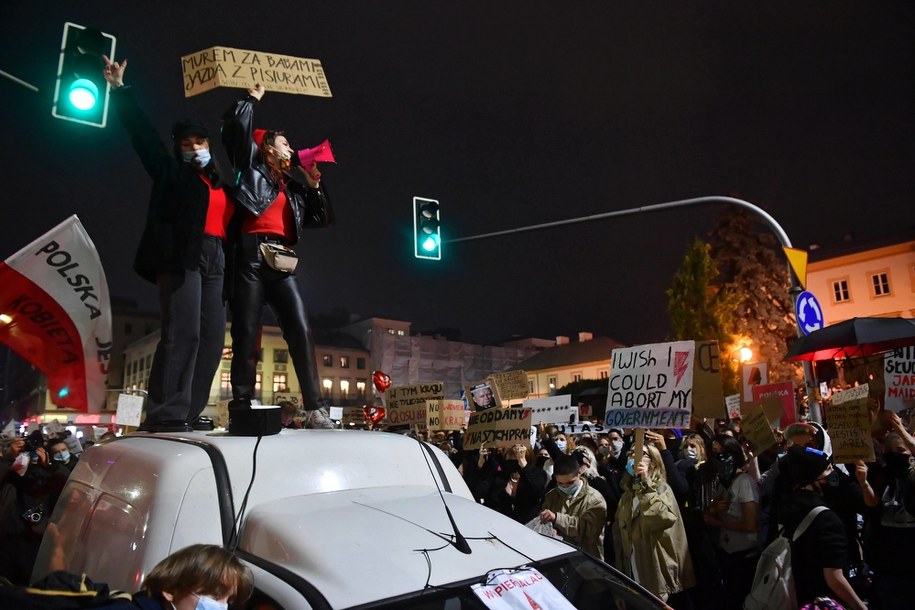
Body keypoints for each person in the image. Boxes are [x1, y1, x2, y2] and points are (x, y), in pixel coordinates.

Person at [103, 56, 233, 433]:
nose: (193, 148)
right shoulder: (171, 172)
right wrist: (120, 90)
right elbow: (144, 138)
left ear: (209, 145)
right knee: (183, 333)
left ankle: (188, 412)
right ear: (178, 149)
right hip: (182, 256)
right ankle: (165, 413)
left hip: (216, 259)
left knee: (212, 340)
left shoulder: (219, 184)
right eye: (186, 144)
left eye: (199, 141)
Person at [221, 84, 334, 429]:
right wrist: (251, 100)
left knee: (300, 329)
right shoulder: (250, 168)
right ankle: (241, 404)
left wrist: (313, 185)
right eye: (286, 144)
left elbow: (321, 218)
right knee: (247, 332)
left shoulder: (292, 188)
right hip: (250, 256)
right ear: (267, 148)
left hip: (282, 260)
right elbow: (235, 131)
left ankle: (315, 409)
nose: (292, 150)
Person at [778, 446, 868, 610]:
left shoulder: (789, 504)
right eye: (827, 469)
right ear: (812, 478)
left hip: (796, 595)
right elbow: (834, 578)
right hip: (822, 601)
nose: (833, 473)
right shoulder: (827, 520)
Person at [613, 443, 695, 606]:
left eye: (640, 453)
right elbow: (619, 541)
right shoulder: (626, 497)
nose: (633, 456)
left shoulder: (662, 489)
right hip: (633, 574)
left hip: (658, 577)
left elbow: (661, 519)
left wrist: (646, 485)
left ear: (653, 462)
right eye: (630, 453)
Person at [704, 433, 759, 609]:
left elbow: (750, 525)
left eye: (723, 453)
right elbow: (711, 511)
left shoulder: (744, 482)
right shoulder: (723, 483)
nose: (719, 458)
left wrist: (718, 523)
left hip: (744, 557)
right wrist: (713, 510)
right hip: (727, 554)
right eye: (714, 453)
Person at [539, 453, 607, 560]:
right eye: (560, 483)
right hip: (557, 558)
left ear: (579, 473)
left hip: (587, 561)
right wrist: (549, 530)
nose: (565, 487)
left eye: (570, 483)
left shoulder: (595, 499)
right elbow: (543, 521)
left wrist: (557, 518)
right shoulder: (551, 496)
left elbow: (588, 532)